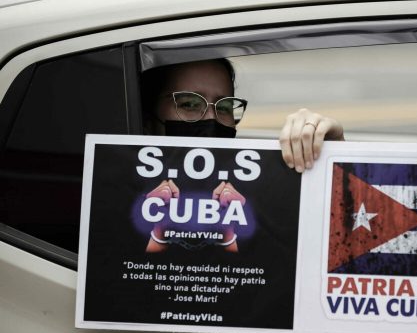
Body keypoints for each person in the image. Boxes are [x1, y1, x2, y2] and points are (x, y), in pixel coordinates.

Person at [141, 59, 344, 252]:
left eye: (224, 107)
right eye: (189, 104)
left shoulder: (261, 189)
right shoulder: (117, 184)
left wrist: (330, 156)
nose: (212, 118)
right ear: (148, 121)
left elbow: (336, 234)